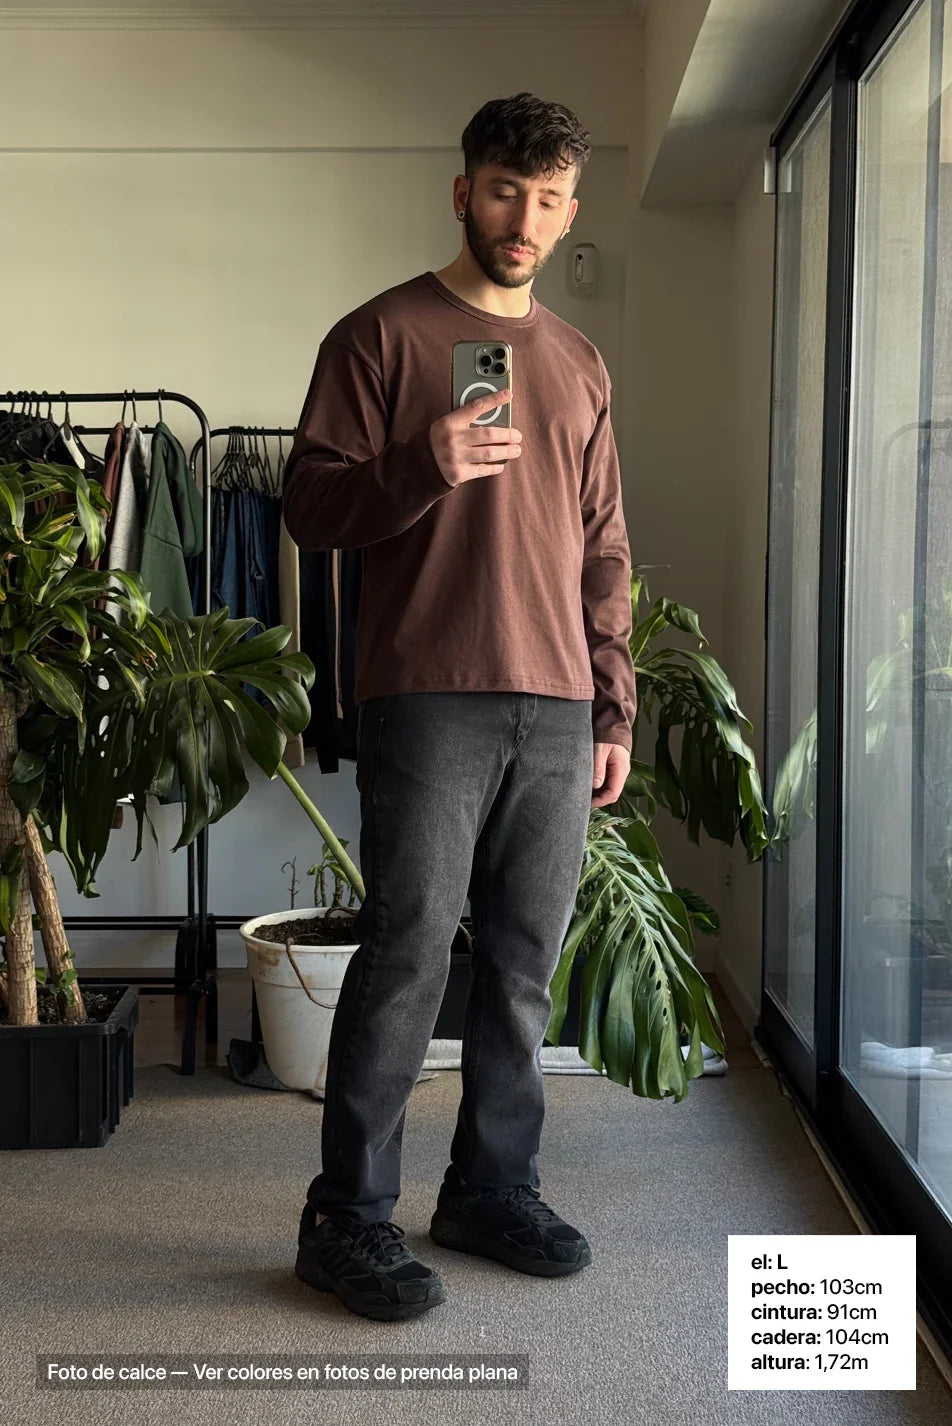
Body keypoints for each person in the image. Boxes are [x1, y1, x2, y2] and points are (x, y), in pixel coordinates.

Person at [282, 91, 637, 1323]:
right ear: (462, 191)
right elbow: (308, 507)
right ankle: (346, 1216)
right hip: (426, 691)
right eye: (503, 191)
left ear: (570, 211)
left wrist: (611, 705)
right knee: (407, 951)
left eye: (547, 200)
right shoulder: (378, 335)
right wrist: (418, 464)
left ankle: (490, 1187)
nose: (522, 219)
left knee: (525, 962)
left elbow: (604, 543)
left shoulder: (578, 362)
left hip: (558, 701)